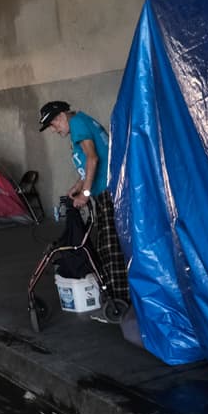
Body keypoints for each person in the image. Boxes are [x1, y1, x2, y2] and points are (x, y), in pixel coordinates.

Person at [38, 101, 130, 309]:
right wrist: (78, 186)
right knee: (109, 242)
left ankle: (119, 301)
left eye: (53, 125)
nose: (54, 130)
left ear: (61, 116)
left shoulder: (78, 124)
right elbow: (91, 162)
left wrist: (86, 193)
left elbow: (93, 159)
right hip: (108, 187)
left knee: (110, 246)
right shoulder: (82, 121)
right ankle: (119, 297)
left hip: (107, 190)